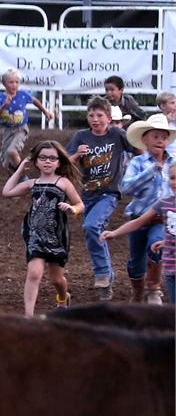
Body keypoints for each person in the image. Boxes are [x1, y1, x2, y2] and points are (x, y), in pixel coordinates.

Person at [4, 140, 84, 315]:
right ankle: (29, 315)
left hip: (57, 236)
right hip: (35, 235)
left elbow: (80, 204)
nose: (48, 161)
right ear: (36, 161)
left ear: (59, 162)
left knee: (57, 279)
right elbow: (7, 191)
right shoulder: (32, 183)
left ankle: (63, 297)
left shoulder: (63, 183)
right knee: (34, 274)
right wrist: (19, 170)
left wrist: (72, 209)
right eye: (43, 158)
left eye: (52, 158)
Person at [67, 96, 130, 301]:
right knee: (95, 232)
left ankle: (102, 272)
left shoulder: (117, 135)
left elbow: (138, 148)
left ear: (109, 118)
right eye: (91, 115)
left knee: (91, 227)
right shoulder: (81, 136)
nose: (95, 119)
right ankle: (106, 281)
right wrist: (76, 154)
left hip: (109, 193)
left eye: (99, 115)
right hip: (87, 195)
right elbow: (65, 161)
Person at [116, 111, 173, 302]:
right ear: (145, 139)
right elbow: (126, 187)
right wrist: (150, 171)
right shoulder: (137, 163)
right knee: (135, 262)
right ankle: (138, 290)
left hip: (163, 218)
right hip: (139, 217)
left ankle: (153, 288)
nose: (160, 140)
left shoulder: (173, 163)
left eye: (163, 137)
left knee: (156, 248)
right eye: (155, 136)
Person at [0, 67, 34, 169]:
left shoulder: (22, 94)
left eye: (17, 82)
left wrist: (46, 112)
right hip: (8, 130)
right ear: (4, 84)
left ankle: (22, 174)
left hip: (21, 128)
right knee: (6, 161)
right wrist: (4, 105)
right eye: (11, 82)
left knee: (12, 151)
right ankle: (15, 177)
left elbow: (34, 100)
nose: (14, 85)